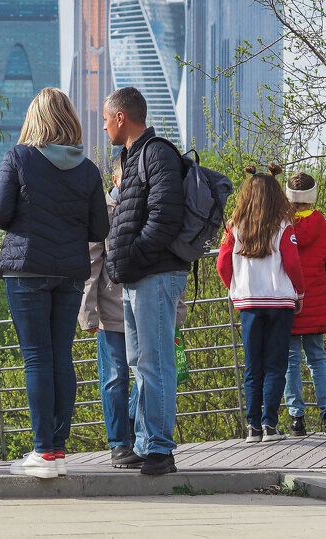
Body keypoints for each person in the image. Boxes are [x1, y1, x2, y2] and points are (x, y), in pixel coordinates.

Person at [0, 88, 109, 479]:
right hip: (70, 272)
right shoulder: (89, 169)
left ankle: (42, 451)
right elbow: (99, 228)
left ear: (34, 120)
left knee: (37, 357)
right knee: (61, 357)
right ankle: (56, 449)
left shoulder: (18, 157)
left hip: (27, 270)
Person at [101, 86, 189, 476]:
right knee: (140, 362)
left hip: (154, 274)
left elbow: (164, 217)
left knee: (155, 363)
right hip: (137, 277)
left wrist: (133, 254)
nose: (103, 127)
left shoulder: (157, 153)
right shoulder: (131, 157)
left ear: (122, 118)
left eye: (106, 119)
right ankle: (144, 442)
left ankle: (160, 448)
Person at [79, 157, 188, 468]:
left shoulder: (148, 209)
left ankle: (136, 436)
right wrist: (88, 312)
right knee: (114, 378)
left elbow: (170, 261)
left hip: (145, 310)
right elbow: (91, 263)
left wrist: (176, 311)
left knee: (145, 377)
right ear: (116, 181)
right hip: (111, 312)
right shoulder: (104, 211)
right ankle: (119, 443)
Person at [216, 164, 306, 444]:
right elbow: (292, 263)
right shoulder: (282, 225)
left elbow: (222, 263)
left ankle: (252, 427)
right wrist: (299, 294)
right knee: (275, 364)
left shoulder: (234, 226)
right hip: (279, 302)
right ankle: (270, 424)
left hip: (249, 303)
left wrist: (234, 288)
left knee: (252, 365)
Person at [284, 172, 326, 437]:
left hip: (288, 301)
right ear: (313, 197)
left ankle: (297, 419)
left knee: (290, 362)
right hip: (316, 301)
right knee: (317, 359)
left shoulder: (282, 226)